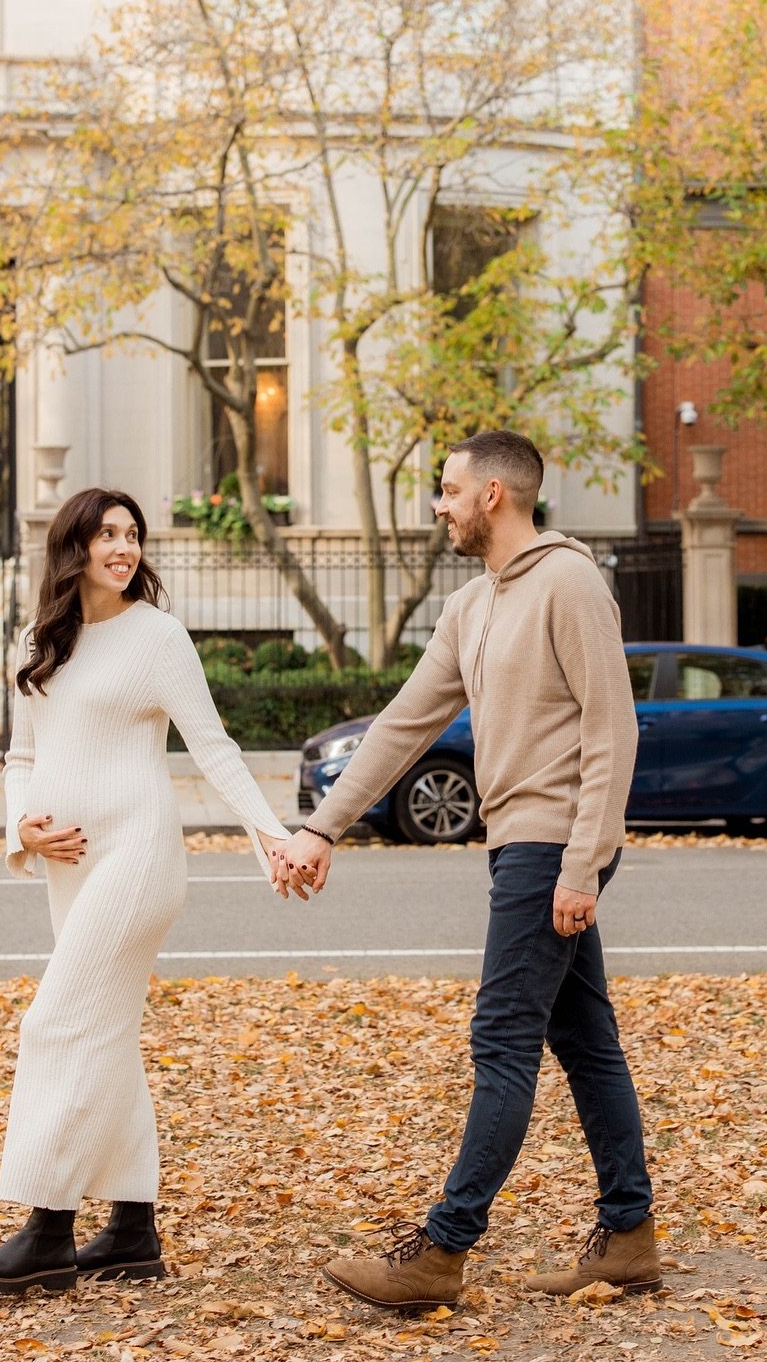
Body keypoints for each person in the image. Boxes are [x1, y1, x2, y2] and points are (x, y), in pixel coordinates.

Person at [272, 430, 658, 1310]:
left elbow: (613, 731)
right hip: (522, 844)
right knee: (585, 1040)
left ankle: (440, 1251)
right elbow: (404, 724)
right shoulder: (471, 606)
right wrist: (322, 827)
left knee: (502, 1040)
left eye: (447, 490)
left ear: (493, 493)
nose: (438, 505)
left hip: (553, 845)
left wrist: (583, 864)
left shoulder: (570, 582)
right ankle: (629, 1234)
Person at [0, 487, 294, 1296]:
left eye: (132, 534)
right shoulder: (40, 638)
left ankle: (47, 1226)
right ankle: (134, 1229)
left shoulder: (158, 637)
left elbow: (214, 748)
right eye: (107, 533)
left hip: (137, 858)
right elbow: (19, 758)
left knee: (56, 1023)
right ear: (73, 546)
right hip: (68, 867)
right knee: (106, 1032)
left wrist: (272, 834)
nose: (124, 546)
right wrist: (21, 832)